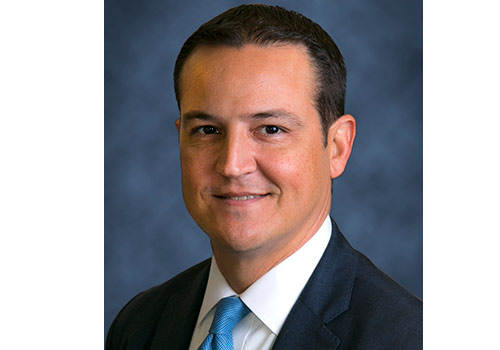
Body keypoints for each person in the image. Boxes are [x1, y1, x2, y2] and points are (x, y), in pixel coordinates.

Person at [106, 4, 421, 349]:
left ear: (337, 147)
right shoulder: (139, 326)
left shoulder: (407, 338)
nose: (232, 165)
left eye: (271, 129)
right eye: (208, 130)